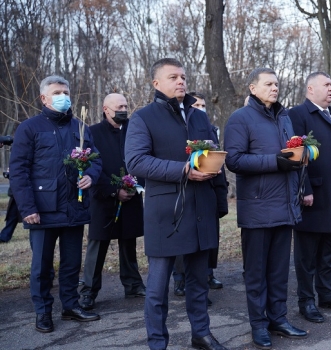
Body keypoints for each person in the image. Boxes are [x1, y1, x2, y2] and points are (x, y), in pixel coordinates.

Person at [125, 58, 228, 350]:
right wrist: (183, 170)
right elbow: (136, 162)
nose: (181, 81)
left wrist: (218, 193)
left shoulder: (199, 117)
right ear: (156, 84)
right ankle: (157, 343)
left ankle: (202, 334)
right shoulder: (143, 118)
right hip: (165, 214)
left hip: (201, 210)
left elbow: (214, 154)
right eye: (173, 77)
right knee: (158, 288)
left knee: (199, 281)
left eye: (183, 76)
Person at [9, 75, 102, 333]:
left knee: (72, 263)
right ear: (44, 98)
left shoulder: (80, 128)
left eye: (66, 91)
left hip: (74, 206)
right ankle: (43, 311)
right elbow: (19, 171)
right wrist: (27, 209)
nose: (64, 96)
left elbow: (95, 159)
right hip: (42, 210)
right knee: (41, 266)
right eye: (57, 92)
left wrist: (91, 175)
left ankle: (71, 306)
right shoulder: (29, 128)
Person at [224, 67, 307, 350]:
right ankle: (258, 325)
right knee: (257, 272)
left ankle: (278, 319)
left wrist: (299, 162)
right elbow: (233, 161)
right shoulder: (240, 118)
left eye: (277, 83)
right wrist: (275, 162)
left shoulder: (284, 117)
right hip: (258, 209)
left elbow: (291, 155)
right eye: (268, 84)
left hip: (285, 206)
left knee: (279, 270)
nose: (275, 88)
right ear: (252, 88)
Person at [287, 72, 331, 323]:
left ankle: (327, 295)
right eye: (326, 85)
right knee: (307, 255)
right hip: (314, 194)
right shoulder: (297, 114)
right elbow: (295, 154)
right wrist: (304, 187)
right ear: (310, 88)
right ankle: (306, 301)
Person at [78, 93, 146, 311]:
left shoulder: (133, 131)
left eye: (126, 105)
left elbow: (142, 158)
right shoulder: (92, 133)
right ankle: (88, 290)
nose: (124, 109)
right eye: (119, 106)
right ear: (106, 109)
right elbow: (90, 166)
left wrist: (134, 186)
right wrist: (113, 191)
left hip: (131, 195)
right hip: (103, 198)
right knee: (97, 246)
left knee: (129, 242)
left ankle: (133, 284)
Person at [172, 91, 223, 302]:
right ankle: (180, 279)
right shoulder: (181, 127)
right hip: (184, 189)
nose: (200, 108)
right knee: (185, 240)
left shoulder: (208, 127)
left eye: (203, 105)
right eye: (197, 105)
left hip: (208, 187)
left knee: (206, 240)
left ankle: (205, 277)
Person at [0, 171, 21, 243]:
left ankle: (4, 236)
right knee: (12, 216)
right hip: (16, 191)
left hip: (24, 190)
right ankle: (4, 236)